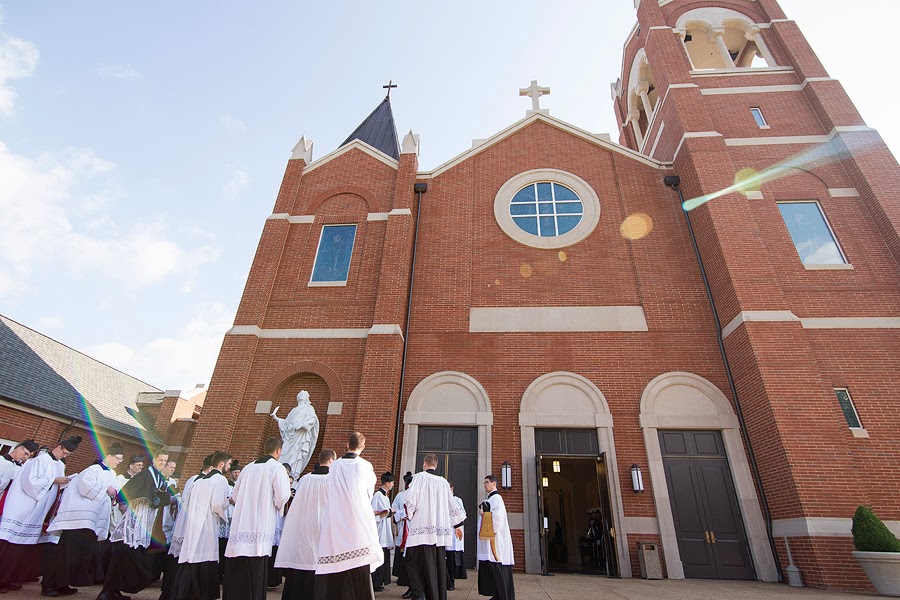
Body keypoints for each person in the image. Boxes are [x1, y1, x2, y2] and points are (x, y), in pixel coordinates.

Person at [42, 441, 124, 597]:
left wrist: (114, 494)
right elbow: (85, 488)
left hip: (90, 521)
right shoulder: (92, 470)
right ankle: (48, 585)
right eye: (118, 458)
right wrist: (106, 489)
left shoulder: (111, 474)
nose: (120, 462)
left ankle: (63, 583)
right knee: (66, 554)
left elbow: (114, 493)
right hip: (78, 518)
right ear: (109, 456)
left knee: (78, 556)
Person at [0, 435, 81, 594]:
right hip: (22, 509)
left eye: (67, 455)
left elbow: (54, 484)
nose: (65, 457)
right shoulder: (39, 460)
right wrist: (53, 480)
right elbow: (30, 482)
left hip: (36, 512)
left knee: (23, 548)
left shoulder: (58, 465)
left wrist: (63, 483)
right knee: (10, 546)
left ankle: (10, 579)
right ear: (58, 447)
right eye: (64, 453)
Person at [313, 432, 382, 600]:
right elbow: (368, 492)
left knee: (337, 557)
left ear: (347, 444)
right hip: (356, 517)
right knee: (358, 559)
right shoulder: (364, 465)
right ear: (363, 447)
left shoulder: (334, 465)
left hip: (335, 516)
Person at [223, 437, 291, 600]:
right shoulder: (277, 468)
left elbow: (235, 495)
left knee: (239, 563)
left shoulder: (248, 468)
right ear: (278, 451)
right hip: (261, 523)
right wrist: (277, 505)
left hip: (241, 523)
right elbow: (282, 496)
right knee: (256, 564)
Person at [99, 448, 172, 600]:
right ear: (153, 460)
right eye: (161, 460)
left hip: (146, 522)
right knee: (123, 558)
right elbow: (125, 494)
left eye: (165, 461)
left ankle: (112, 591)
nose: (163, 463)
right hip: (134, 523)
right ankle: (106, 592)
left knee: (123, 560)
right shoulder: (144, 475)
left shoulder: (158, 478)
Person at [274, 449, 336, 600]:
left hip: (304, 525)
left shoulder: (305, 479)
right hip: (323, 525)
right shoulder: (333, 478)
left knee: (302, 560)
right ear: (331, 460)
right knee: (318, 562)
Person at [172, 451, 232, 600]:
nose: (230, 467)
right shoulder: (220, 480)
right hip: (207, 524)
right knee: (205, 556)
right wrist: (229, 502)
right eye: (229, 464)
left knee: (192, 556)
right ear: (221, 464)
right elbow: (217, 505)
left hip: (193, 524)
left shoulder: (199, 480)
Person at [403, 454, 463, 600]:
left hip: (421, 529)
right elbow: (452, 504)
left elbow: (411, 500)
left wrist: (408, 513)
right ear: (436, 465)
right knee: (436, 565)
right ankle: (436, 595)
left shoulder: (419, 477)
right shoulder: (443, 482)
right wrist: (457, 524)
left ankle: (419, 594)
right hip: (438, 532)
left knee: (412, 562)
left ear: (425, 463)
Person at [477, 475, 515, 600]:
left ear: (494, 484)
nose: (484, 485)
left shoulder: (497, 499)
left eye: (487, 482)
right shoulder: (491, 499)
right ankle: (498, 595)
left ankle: (502, 596)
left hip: (496, 542)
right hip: (491, 541)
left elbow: (497, 519)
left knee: (497, 568)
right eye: (484, 483)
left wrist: (484, 515)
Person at [270, 390, 319, 478]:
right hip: (290, 436)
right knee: (283, 452)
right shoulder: (294, 410)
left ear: (306, 398)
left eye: (303, 395)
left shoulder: (309, 408)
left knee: (297, 455)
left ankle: (293, 475)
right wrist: (276, 418)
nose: (300, 395)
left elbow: (312, 419)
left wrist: (303, 425)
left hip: (300, 436)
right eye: (299, 394)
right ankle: (279, 473)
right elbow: (287, 423)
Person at [266, 463, 292, 589]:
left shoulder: (287, 483)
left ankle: (274, 578)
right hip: (272, 515)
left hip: (280, 518)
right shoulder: (275, 480)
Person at [371, 471, 395, 592]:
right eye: (391, 483)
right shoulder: (378, 496)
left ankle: (382, 581)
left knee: (384, 556)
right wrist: (389, 512)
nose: (392, 485)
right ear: (386, 483)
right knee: (379, 556)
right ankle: (376, 582)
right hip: (379, 531)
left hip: (385, 529)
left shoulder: (384, 496)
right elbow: (373, 513)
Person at [217, 460, 240, 583]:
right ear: (230, 474)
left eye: (238, 472)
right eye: (234, 472)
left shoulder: (241, 486)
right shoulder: (226, 484)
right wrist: (229, 500)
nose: (236, 474)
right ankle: (219, 573)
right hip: (225, 519)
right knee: (222, 545)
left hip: (235, 519)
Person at [391, 471, 413, 598]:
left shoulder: (416, 495)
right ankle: (403, 579)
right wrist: (401, 514)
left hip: (412, 530)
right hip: (403, 528)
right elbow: (394, 510)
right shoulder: (400, 495)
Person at [444, 482, 467, 591]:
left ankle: (451, 581)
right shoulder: (441, 500)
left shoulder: (457, 500)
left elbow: (462, 516)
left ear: (452, 488)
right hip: (443, 533)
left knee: (452, 558)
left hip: (453, 533)